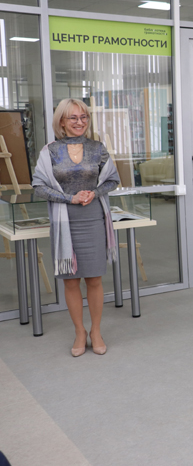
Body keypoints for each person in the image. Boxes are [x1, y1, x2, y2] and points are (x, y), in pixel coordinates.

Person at [32, 98, 119, 357]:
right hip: (64, 220)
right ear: (61, 121)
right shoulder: (50, 151)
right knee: (71, 281)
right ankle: (80, 331)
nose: (80, 122)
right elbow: (38, 186)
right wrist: (70, 198)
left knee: (94, 278)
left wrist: (94, 192)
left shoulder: (97, 148)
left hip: (93, 219)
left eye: (84, 117)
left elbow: (112, 179)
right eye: (73, 117)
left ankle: (96, 331)